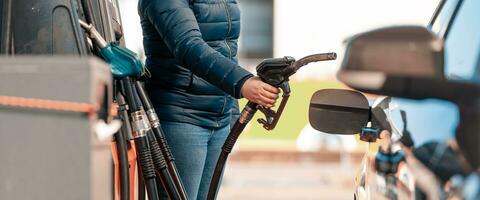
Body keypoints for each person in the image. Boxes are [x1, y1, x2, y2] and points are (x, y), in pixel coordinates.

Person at [138, 0, 280, 199]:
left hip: (219, 118)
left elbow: (227, 50)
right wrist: (242, 82)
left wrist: (231, 113)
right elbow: (189, 46)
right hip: (182, 116)